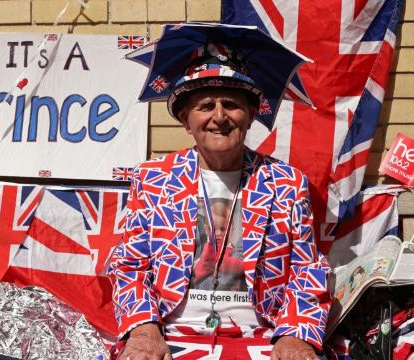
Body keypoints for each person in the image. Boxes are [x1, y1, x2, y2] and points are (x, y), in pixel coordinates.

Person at [107, 30, 331, 360]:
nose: (219, 116)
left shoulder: (286, 182)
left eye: (231, 104)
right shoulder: (152, 179)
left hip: (262, 335)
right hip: (172, 333)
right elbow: (129, 266)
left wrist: (296, 334)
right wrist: (144, 331)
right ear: (185, 119)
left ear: (251, 115)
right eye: (205, 105)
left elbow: (306, 269)